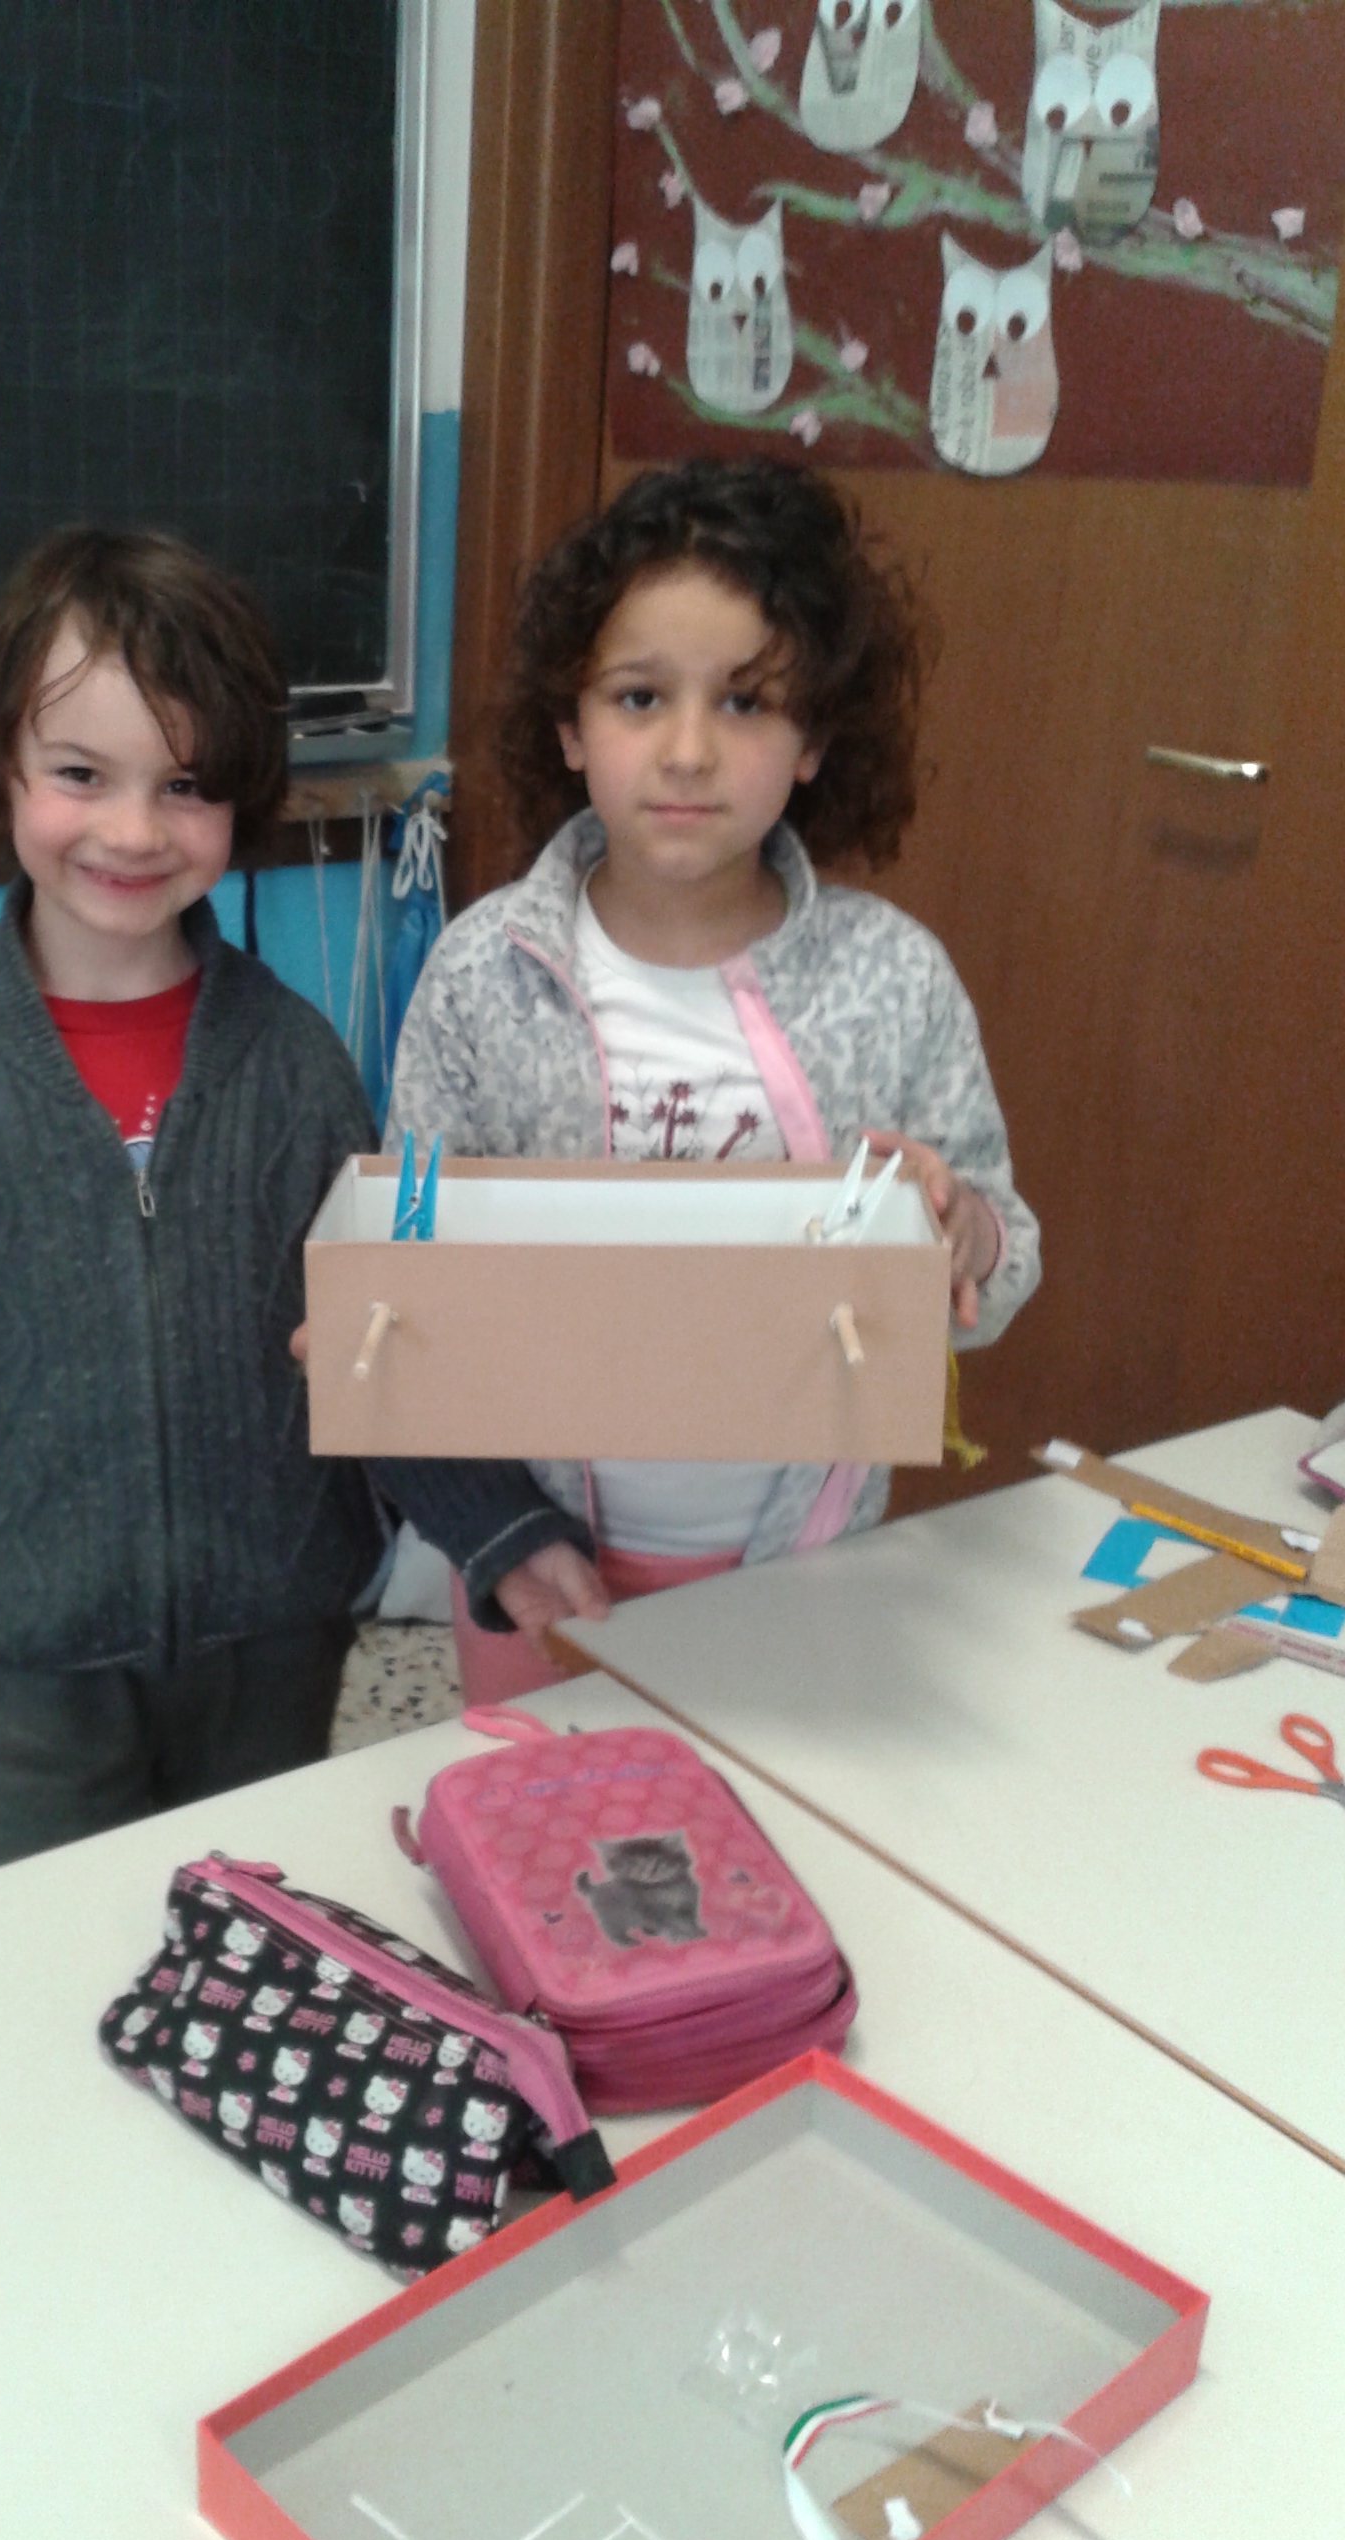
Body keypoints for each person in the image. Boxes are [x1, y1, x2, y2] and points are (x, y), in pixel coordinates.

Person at [370, 457, 1040, 1705]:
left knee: (762, 1813)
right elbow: (409, 1243)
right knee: (547, 1817)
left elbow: (1001, 1265)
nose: (687, 751)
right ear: (571, 726)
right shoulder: (480, 976)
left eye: (745, 702)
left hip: (803, 1563)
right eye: (639, 697)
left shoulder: (893, 975)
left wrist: (963, 1234)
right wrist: (472, 1485)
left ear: (815, 737)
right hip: (536, 1561)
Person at [0, 528, 383, 1873]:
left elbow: (386, 1346)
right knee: (47, 1966)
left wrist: (498, 1532)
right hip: (29, 1667)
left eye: (183, 784)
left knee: (259, 1935)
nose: (132, 830)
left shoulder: (297, 1064)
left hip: (273, 1644)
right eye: (81, 773)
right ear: (0, 767)